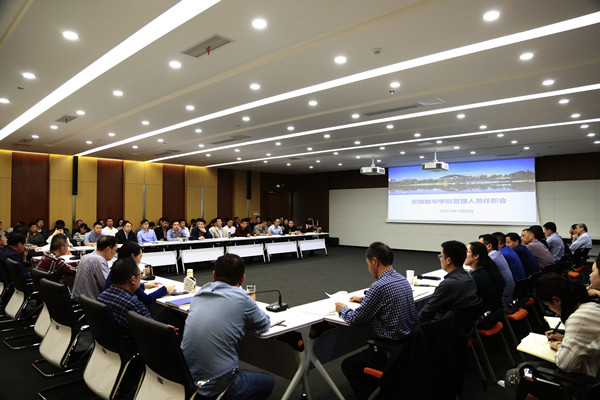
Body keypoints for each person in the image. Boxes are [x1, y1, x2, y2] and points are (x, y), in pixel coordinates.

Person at [181, 254, 273, 400]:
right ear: (242, 279)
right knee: (268, 382)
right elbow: (264, 323)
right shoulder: (242, 298)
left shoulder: (200, 293)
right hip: (218, 384)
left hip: (187, 379)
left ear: (214, 275)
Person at [335, 242, 417, 400]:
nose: (368, 268)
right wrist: (364, 299)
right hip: (408, 347)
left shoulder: (379, 286)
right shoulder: (402, 280)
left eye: (368, 264)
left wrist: (342, 308)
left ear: (375, 261)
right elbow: (388, 299)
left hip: (389, 350)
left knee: (349, 365)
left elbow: (356, 319)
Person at [504, 273, 600, 397]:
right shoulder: (589, 306)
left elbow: (565, 364)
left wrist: (558, 345)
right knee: (526, 366)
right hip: (592, 373)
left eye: (548, 305)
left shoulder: (578, 319)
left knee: (513, 376)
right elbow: (587, 340)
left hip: (581, 383)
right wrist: (564, 338)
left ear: (556, 300)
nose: (550, 308)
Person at [97, 257, 152, 355]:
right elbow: (154, 335)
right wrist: (165, 329)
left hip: (110, 348)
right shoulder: (134, 305)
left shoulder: (101, 297)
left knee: (166, 314)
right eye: (140, 275)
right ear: (133, 279)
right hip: (136, 350)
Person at [418, 240, 478, 323]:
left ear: (448, 260)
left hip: (442, 326)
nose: (440, 259)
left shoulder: (448, 284)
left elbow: (425, 313)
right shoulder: (470, 278)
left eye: (441, 256)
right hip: (463, 325)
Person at [104, 241, 174, 305]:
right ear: (133, 256)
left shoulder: (116, 268)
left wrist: (144, 286)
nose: (140, 261)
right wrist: (165, 289)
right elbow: (146, 299)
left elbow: (129, 288)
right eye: (140, 257)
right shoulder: (128, 273)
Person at [71, 236, 118, 302]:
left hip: (80, 299)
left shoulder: (86, 256)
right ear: (108, 249)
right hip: (90, 303)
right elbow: (107, 286)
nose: (115, 253)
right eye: (115, 250)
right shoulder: (99, 261)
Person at [465, 242, 505, 316]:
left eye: (466, 251)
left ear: (476, 256)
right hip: (492, 314)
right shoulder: (487, 270)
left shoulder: (478, 277)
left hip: (482, 317)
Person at [479, 234, 515, 306]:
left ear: (489, 246)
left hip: (503, 298)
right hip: (509, 294)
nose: (477, 247)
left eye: (480, 245)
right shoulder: (498, 254)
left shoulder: (492, 258)